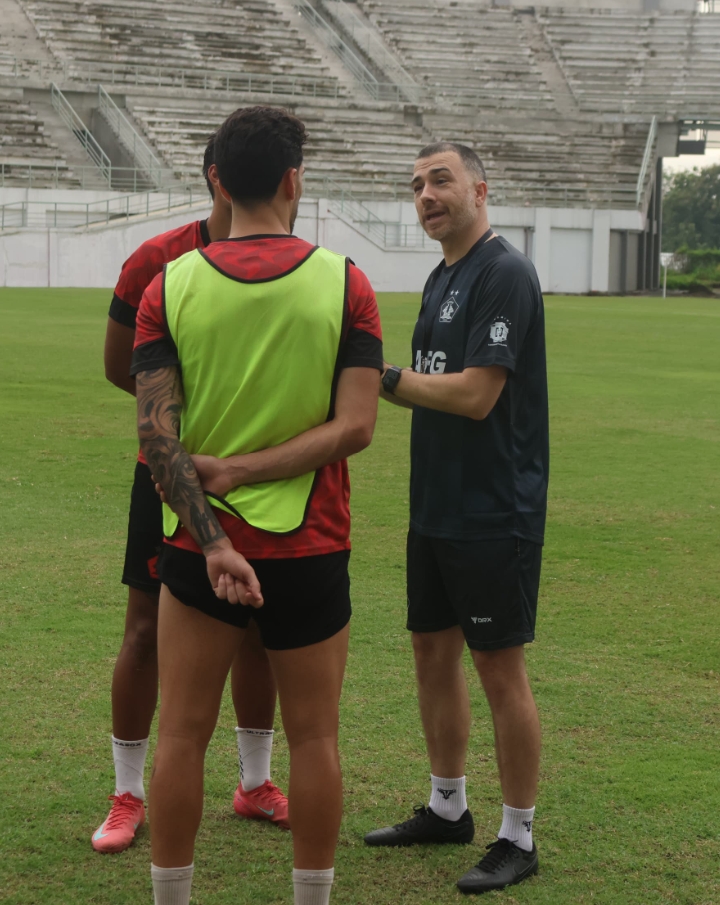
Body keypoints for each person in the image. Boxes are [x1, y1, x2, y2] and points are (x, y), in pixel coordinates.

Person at [131, 106, 382, 905]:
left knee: (180, 734)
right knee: (313, 737)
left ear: (218, 179)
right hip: (312, 545)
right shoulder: (346, 282)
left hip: (197, 553)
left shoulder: (167, 286)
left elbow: (160, 445)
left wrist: (210, 539)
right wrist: (246, 472)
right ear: (292, 178)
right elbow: (356, 427)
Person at [365, 142, 548, 896]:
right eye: (415, 186)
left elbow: (476, 394)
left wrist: (380, 379)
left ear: (479, 187)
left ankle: (518, 834)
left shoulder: (503, 271)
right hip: (435, 503)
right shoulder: (444, 274)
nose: (426, 195)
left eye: (440, 180)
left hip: (490, 506)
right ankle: (448, 807)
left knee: (499, 667)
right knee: (431, 653)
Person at [96, 134, 287, 854]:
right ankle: (127, 792)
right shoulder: (157, 260)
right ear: (217, 178)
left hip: (261, 474)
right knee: (144, 628)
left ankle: (255, 782)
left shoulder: (290, 259)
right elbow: (121, 367)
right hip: (171, 472)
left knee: (258, 626)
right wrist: (179, 428)